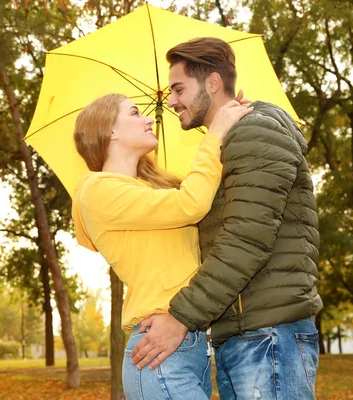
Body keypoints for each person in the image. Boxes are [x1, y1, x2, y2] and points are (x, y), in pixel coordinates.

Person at [130, 37, 322, 400]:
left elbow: (245, 243)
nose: (171, 101)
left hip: (268, 335)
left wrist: (181, 318)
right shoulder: (227, 142)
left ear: (213, 84)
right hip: (244, 333)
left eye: (178, 88)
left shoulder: (254, 132)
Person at [71, 92, 252, 399]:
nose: (146, 119)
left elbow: (204, 200)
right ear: (110, 130)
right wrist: (215, 132)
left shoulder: (148, 192)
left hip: (189, 344)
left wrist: (222, 115)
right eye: (134, 113)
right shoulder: (97, 190)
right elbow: (191, 204)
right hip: (159, 352)